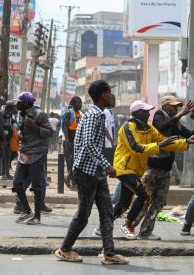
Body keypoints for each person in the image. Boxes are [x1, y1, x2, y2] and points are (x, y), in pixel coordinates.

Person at [99, 100, 194, 241]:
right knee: (144, 194)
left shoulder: (148, 129)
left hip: (136, 169)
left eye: (148, 111)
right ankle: (127, 225)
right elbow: (137, 148)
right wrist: (159, 145)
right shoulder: (128, 127)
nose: (148, 113)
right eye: (145, 111)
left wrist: (186, 142)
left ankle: (102, 226)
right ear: (136, 113)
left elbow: (165, 141)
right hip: (124, 168)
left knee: (124, 203)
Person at [54, 79, 128, 265]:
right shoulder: (94, 115)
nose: (112, 96)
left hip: (95, 172)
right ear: (104, 95)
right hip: (87, 172)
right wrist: (107, 165)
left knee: (107, 212)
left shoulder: (99, 114)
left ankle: (109, 254)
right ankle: (64, 249)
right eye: (110, 92)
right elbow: (88, 144)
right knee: (83, 215)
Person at [135, 95, 194, 240]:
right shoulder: (159, 115)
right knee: (145, 201)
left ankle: (145, 232)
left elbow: (189, 135)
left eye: (177, 107)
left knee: (158, 202)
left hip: (166, 168)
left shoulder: (176, 122)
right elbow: (161, 128)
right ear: (164, 106)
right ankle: (129, 227)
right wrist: (181, 114)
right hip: (153, 167)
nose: (176, 109)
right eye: (173, 106)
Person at [12, 92, 53, 225]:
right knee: (17, 183)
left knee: (36, 186)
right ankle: (26, 210)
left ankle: (37, 216)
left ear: (27, 103)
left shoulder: (40, 114)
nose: (17, 104)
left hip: (36, 153)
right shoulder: (21, 114)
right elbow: (22, 130)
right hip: (23, 152)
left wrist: (34, 127)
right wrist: (19, 133)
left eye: (20, 102)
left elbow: (49, 132)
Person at [62, 96, 83, 188]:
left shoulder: (80, 114)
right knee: (71, 162)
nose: (80, 104)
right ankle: (72, 181)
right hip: (70, 139)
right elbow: (65, 128)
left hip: (78, 140)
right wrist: (67, 141)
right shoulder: (69, 113)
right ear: (74, 103)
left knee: (77, 162)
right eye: (79, 102)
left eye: (81, 102)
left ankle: (68, 178)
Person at [103, 94, 116, 165]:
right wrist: (112, 141)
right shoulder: (105, 112)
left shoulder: (110, 112)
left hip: (110, 144)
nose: (115, 102)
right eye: (114, 100)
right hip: (106, 144)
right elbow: (104, 128)